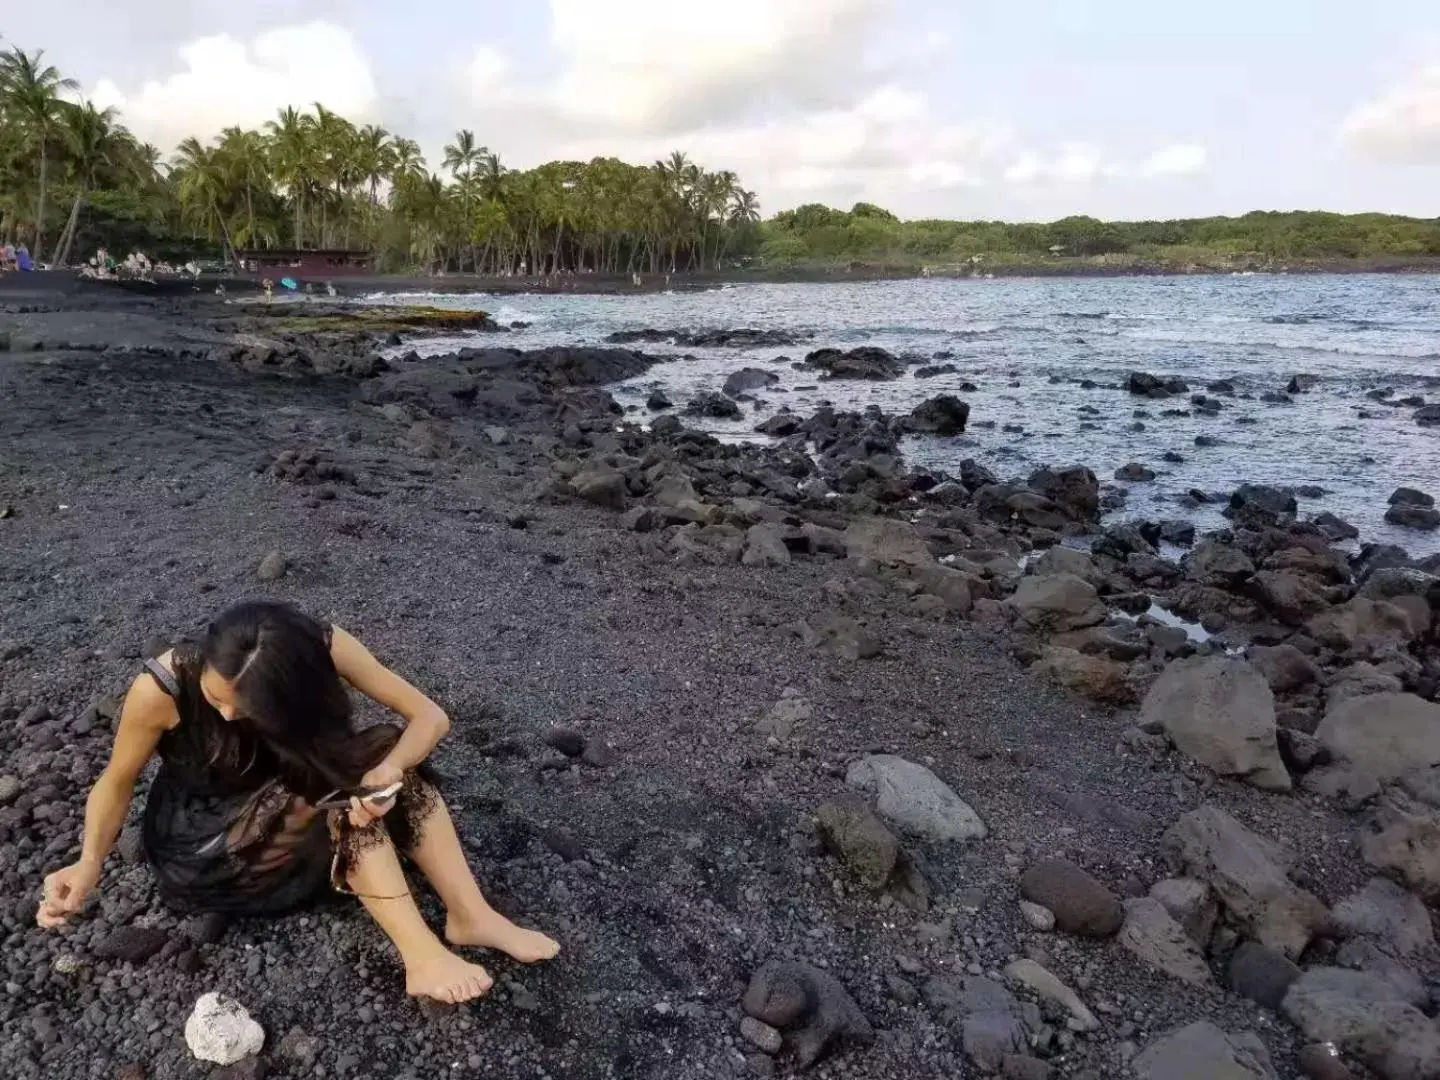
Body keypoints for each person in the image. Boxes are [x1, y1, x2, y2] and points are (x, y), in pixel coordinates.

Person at [37, 601, 558, 1003]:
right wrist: (88, 862)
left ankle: (469, 914)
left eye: (241, 707)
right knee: (340, 800)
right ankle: (421, 957)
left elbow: (430, 718)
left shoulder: (321, 647)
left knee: (381, 760)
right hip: (212, 841)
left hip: (295, 787)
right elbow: (116, 780)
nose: (222, 713)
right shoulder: (164, 687)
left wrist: (387, 771)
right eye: (215, 697)